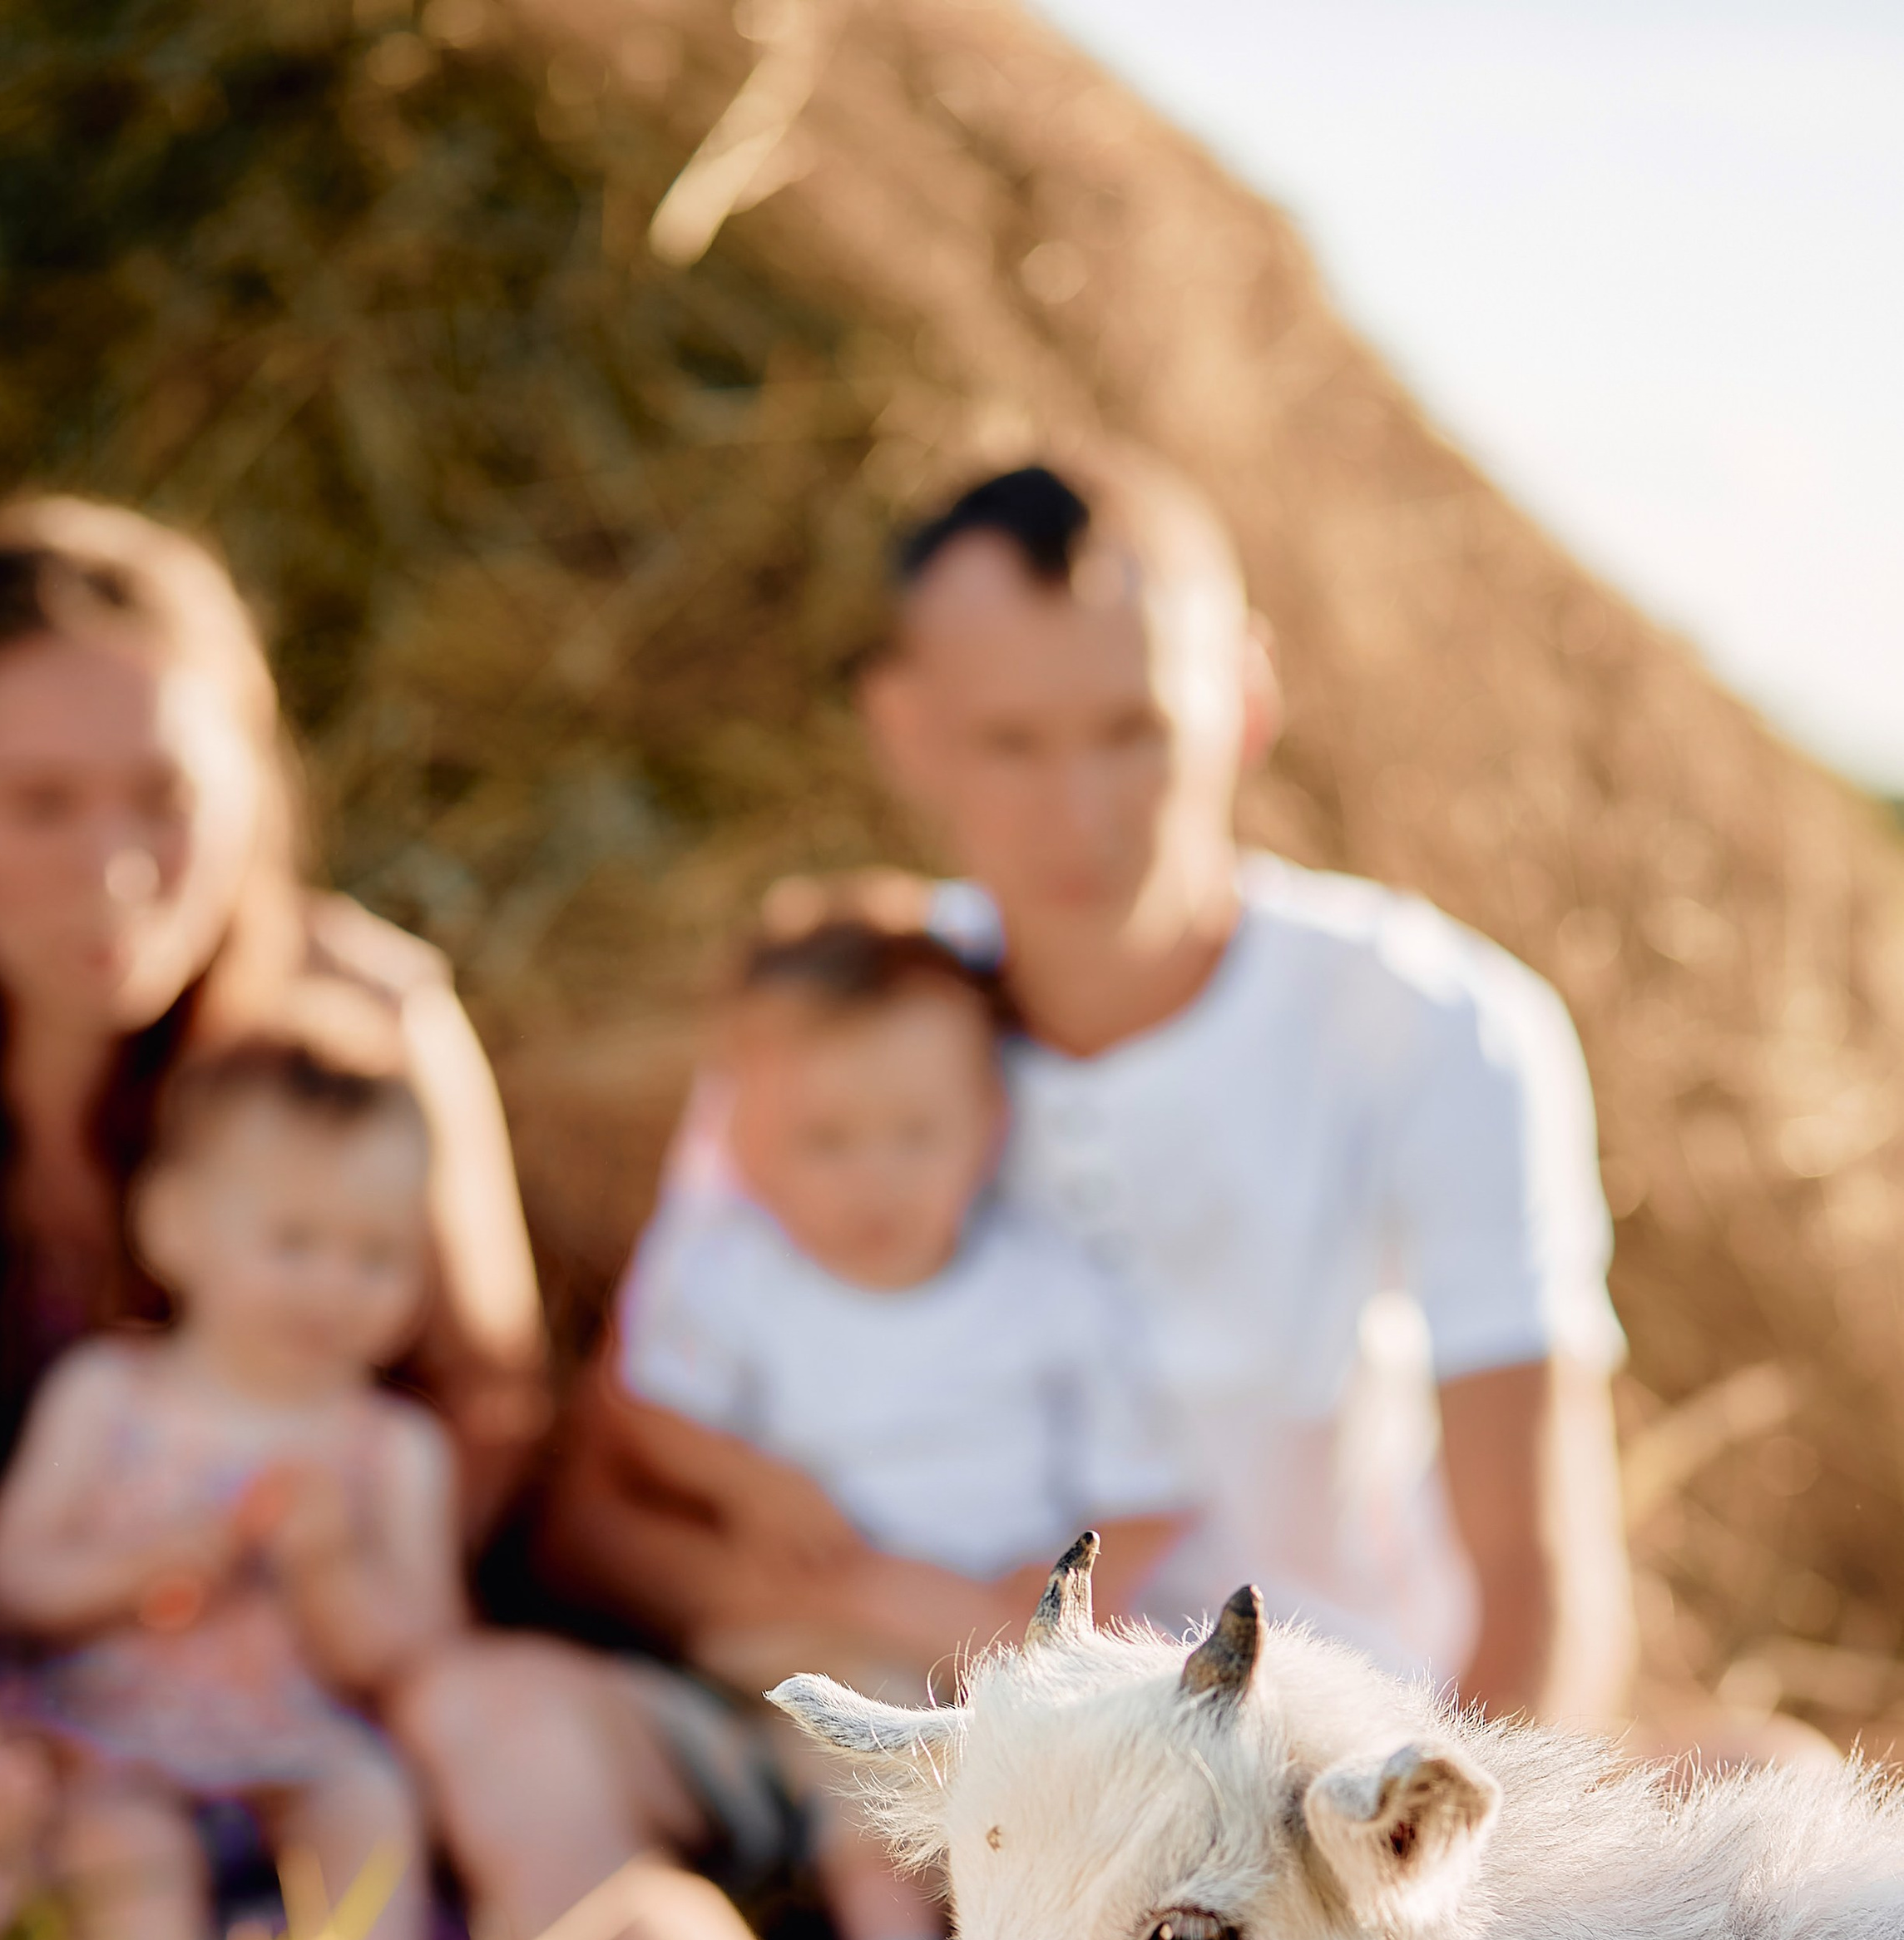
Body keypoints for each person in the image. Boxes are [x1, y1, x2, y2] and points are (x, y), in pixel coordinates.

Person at [0, 497, 843, 1940]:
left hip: (337, 1695)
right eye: (38, 803)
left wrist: (331, 1574)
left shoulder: (365, 1026)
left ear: (252, 783)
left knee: (483, 1783)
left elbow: (491, 1408)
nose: (113, 868)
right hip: (17, 1695)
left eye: (164, 796)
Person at [544, 460, 1637, 1730]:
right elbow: (599, 1511)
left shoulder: (1437, 1026)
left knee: (1783, 1785)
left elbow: (1543, 1581)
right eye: (1010, 742)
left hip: (1307, 1756)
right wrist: (904, 1628)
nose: (1080, 813)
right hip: (868, 1721)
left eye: (1135, 732)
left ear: (1246, 699)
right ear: (905, 729)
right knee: (506, 1726)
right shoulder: (837, 1019)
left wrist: (1421, 1839)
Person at [611, 915, 1188, 1940]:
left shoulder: (1044, 1290)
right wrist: (746, 1479)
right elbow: (646, 1414)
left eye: (916, 1136)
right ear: (746, 1140)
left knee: (1087, 1759)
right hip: (814, 1614)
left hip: (1004, 1619)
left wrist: (1053, 1591)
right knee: (863, 1740)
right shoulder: (735, 1276)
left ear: (990, 1127)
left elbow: (1146, 1490)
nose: (874, 1179)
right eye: (825, 1142)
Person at [0, 1033, 456, 1940]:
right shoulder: (110, 1393)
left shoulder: (392, 1447)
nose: (333, 1284)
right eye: (294, 1241)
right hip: (114, 1731)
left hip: (299, 1737)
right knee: (121, 1844)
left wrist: (330, 1573)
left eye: (376, 1254)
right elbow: (11, 1582)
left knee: (369, 1804)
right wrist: (135, 1568)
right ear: (175, 1227)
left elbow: (417, 1649)